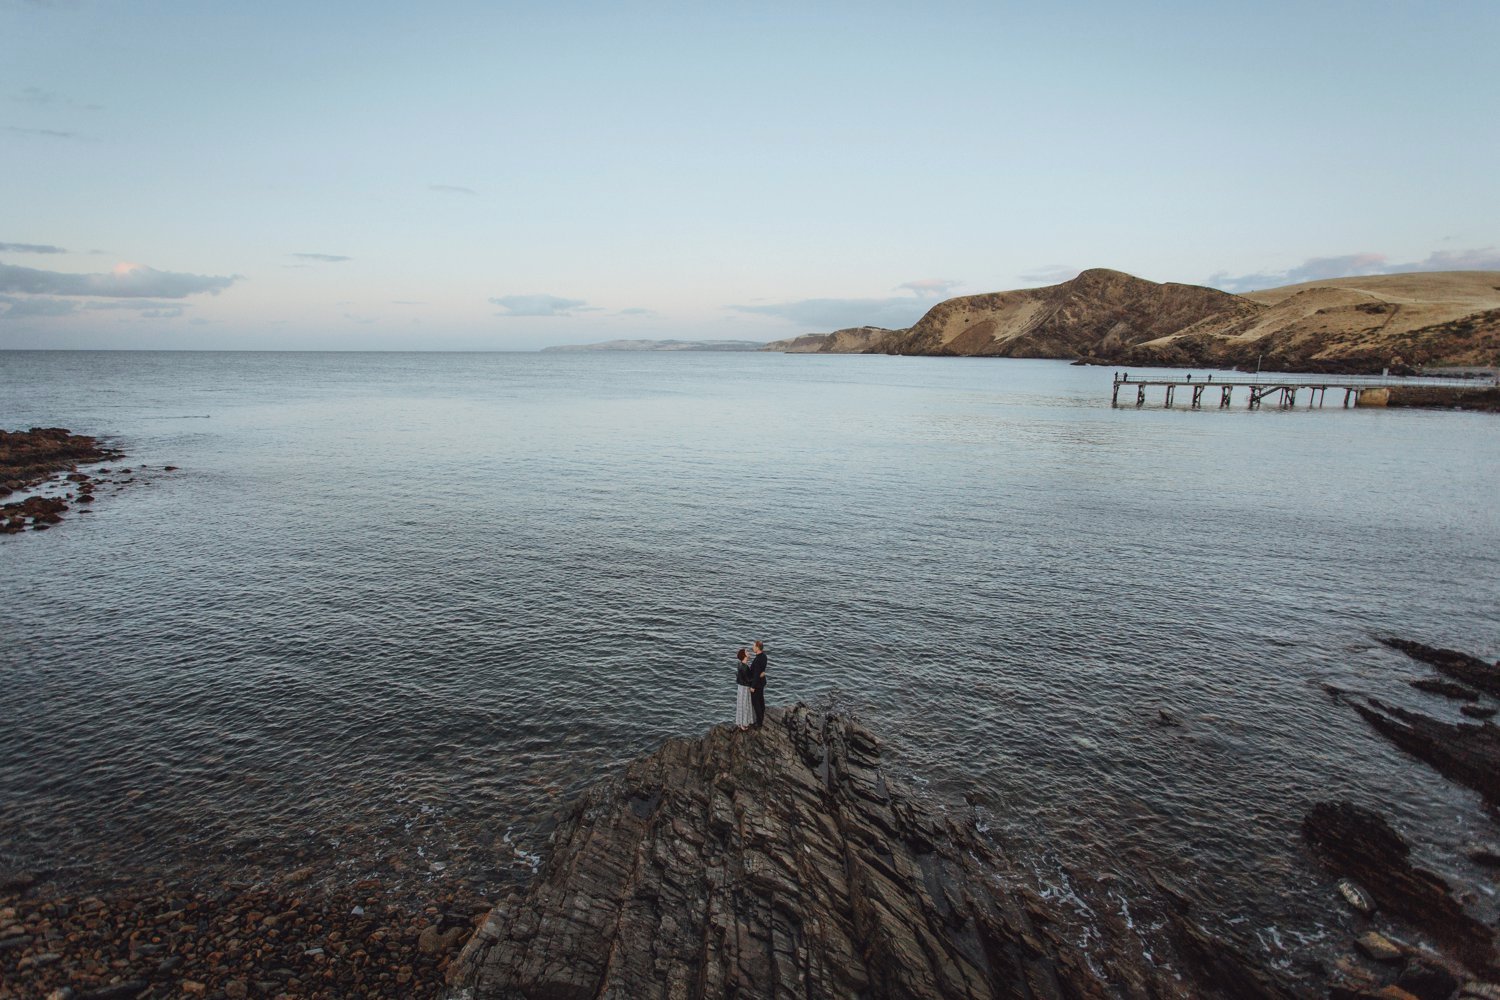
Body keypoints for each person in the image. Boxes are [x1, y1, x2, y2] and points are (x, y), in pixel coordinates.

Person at [734, 648, 755, 731]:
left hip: (740, 687)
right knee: (745, 704)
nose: (748, 652)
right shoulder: (745, 667)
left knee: (741, 704)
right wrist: (757, 676)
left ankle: (740, 722)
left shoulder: (739, 664)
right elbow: (748, 679)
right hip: (745, 687)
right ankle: (744, 723)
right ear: (744, 655)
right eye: (746, 652)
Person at [749, 641, 768, 728]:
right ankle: (761, 719)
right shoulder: (764, 656)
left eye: (753, 646)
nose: (752, 648)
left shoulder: (757, 660)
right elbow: (761, 670)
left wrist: (752, 686)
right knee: (761, 701)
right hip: (762, 682)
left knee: (756, 703)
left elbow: (756, 674)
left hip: (757, 685)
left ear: (757, 647)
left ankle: (759, 723)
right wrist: (763, 672)